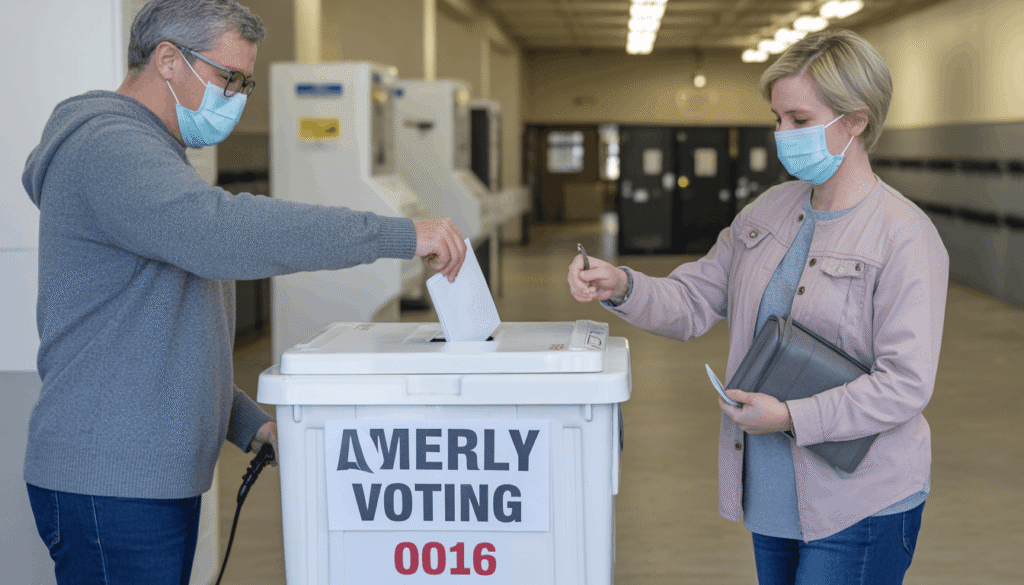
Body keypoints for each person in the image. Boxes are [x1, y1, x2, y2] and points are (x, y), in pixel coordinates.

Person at [21, 1, 466, 583]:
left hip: (141, 481)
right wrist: (396, 233)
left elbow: (157, 334)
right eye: (228, 77)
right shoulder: (109, 146)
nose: (236, 95)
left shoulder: (154, 154)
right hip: (111, 484)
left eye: (245, 82)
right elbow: (226, 232)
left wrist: (249, 422)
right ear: (168, 61)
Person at [568, 30, 948, 585]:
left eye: (798, 120)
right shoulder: (766, 212)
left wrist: (792, 417)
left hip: (860, 502)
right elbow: (694, 298)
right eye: (776, 119)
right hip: (770, 495)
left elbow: (906, 384)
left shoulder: (905, 236)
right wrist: (621, 284)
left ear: (856, 121)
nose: (780, 135)